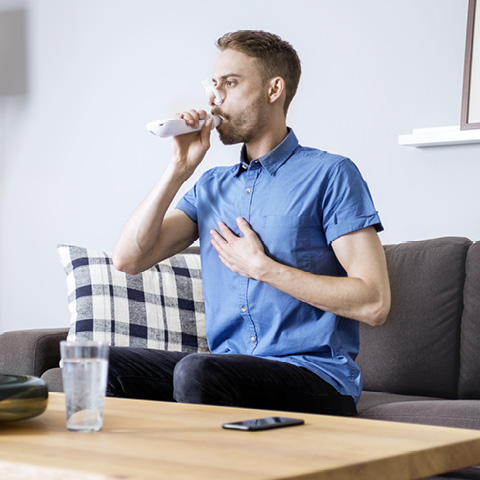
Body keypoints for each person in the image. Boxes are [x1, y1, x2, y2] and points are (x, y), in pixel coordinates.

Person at [107, 30, 391, 416]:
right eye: (213, 85)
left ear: (274, 89)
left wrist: (265, 269)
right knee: (99, 365)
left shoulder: (331, 174)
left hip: (314, 377)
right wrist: (178, 170)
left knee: (199, 372)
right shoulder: (211, 185)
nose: (214, 97)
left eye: (230, 83)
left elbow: (374, 302)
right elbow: (127, 259)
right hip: (227, 371)